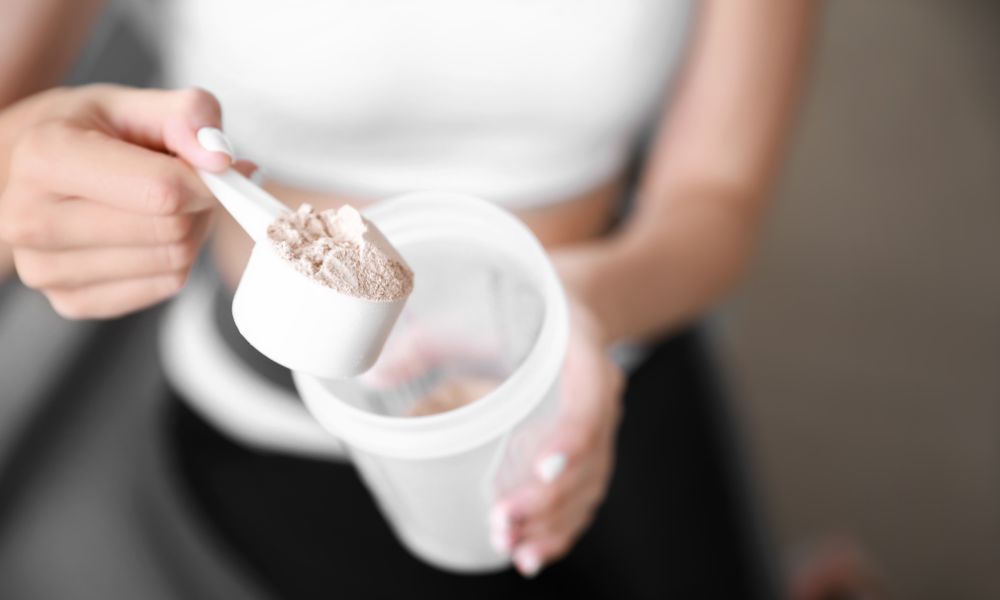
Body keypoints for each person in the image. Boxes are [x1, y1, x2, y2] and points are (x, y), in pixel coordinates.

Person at [0, 1, 817, 597]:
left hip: (607, 359)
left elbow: (716, 194)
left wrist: (582, 306)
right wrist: (17, 178)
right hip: (283, 432)